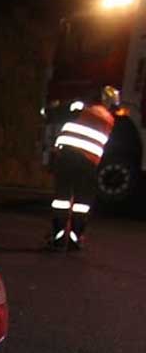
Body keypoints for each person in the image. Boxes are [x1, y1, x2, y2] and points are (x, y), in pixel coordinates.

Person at [47, 85, 118, 251]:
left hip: (67, 158)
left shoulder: (81, 108)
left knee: (61, 199)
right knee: (82, 203)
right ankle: (75, 239)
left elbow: (55, 115)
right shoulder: (109, 120)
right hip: (88, 164)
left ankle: (57, 238)